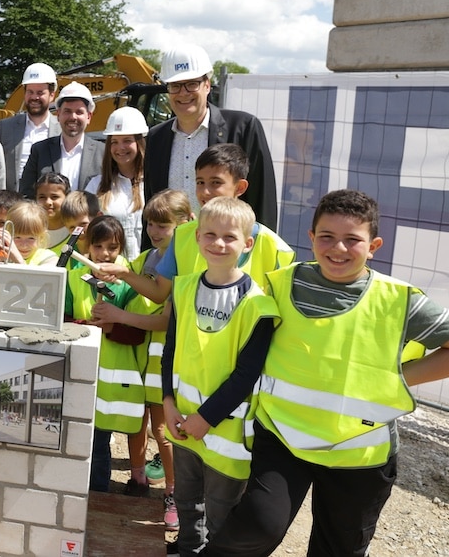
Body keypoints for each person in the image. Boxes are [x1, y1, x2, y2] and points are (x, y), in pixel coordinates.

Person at [202, 190, 449, 557]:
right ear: (311, 237)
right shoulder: (279, 284)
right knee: (257, 526)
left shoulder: (399, 300)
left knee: (337, 549)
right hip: (282, 437)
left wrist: (394, 379)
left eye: (353, 240)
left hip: (358, 454)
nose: (338, 248)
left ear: (374, 246)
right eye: (327, 237)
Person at [161, 198, 280, 556]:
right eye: (210, 234)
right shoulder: (183, 288)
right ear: (197, 237)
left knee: (221, 516)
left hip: (226, 434)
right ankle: (187, 550)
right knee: (186, 504)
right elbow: (170, 350)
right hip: (182, 421)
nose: (218, 243)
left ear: (248, 243)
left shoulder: (258, 305)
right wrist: (167, 401)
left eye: (230, 237)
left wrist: (206, 418)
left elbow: (247, 374)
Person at [91, 188, 192, 530]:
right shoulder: (148, 258)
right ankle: (138, 478)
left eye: (163, 225)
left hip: (168, 358)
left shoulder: (186, 261)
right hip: (141, 357)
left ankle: (174, 493)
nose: (154, 231)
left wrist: (119, 315)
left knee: (163, 431)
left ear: (185, 223)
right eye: (150, 223)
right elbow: (131, 288)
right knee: (138, 423)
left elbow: (165, 319)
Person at [106, 144, 294, 306]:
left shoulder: (274, 247)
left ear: (240, 187)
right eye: (200, 182)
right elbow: (159, 293)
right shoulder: (182, 236)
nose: (205, 191)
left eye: (216, 183)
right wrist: (124, 273)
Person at [144, 44, 277, 236]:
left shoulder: (244, 128)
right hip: (173, 249)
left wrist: (258, 248)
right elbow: (152, 205)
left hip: (227, 247)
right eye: (175, 85)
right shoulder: (156, 138)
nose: (183, 93)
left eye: (192, 84)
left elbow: (262, 199)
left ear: (207, 84)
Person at [63, 215, 141, 494]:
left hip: (109, 384)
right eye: (98, 246)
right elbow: (63, 319)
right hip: (76, 374)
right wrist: (85, 325)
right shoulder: (73, 278)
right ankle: (70, 488)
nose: (105, 254)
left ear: (121, 248)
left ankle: (97, 493)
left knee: (99, 444)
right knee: (72, 436)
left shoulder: (130, 284)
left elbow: (138, 333)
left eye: (112, 247)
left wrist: (111, 326)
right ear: (87, 246)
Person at [20, 81, 104, 199]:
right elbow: (26, 194)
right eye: (67, 111)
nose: (73, 117)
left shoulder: (103, 153)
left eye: (79, 112)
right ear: (58, 115)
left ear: (89, 117)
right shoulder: (40, 150)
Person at [86, 106, 148, 260]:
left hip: (148, 269)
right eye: (114, 142)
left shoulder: (154, 183)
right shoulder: (95, 186)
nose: (120, 147)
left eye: (127, 140)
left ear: (139, 142)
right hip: (109, 269)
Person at [0, 62, 61, 192]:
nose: (34, 97)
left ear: (52, 95)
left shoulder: (61, 130)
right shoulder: (6, 127)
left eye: (40, 92)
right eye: (30, 92)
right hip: (12, 200)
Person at [2, 200, 57, 266]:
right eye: (17, 237)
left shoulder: (49, 258)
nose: (24, 245)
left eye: (31, 238)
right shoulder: (4, 257)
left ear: (41, 237)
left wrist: (18, 259)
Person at [34, 172, 72, 252]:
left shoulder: (74, 231)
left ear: (67, 198)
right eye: (42, 197)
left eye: (54, 197)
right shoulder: (29, 229)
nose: (48, 202)